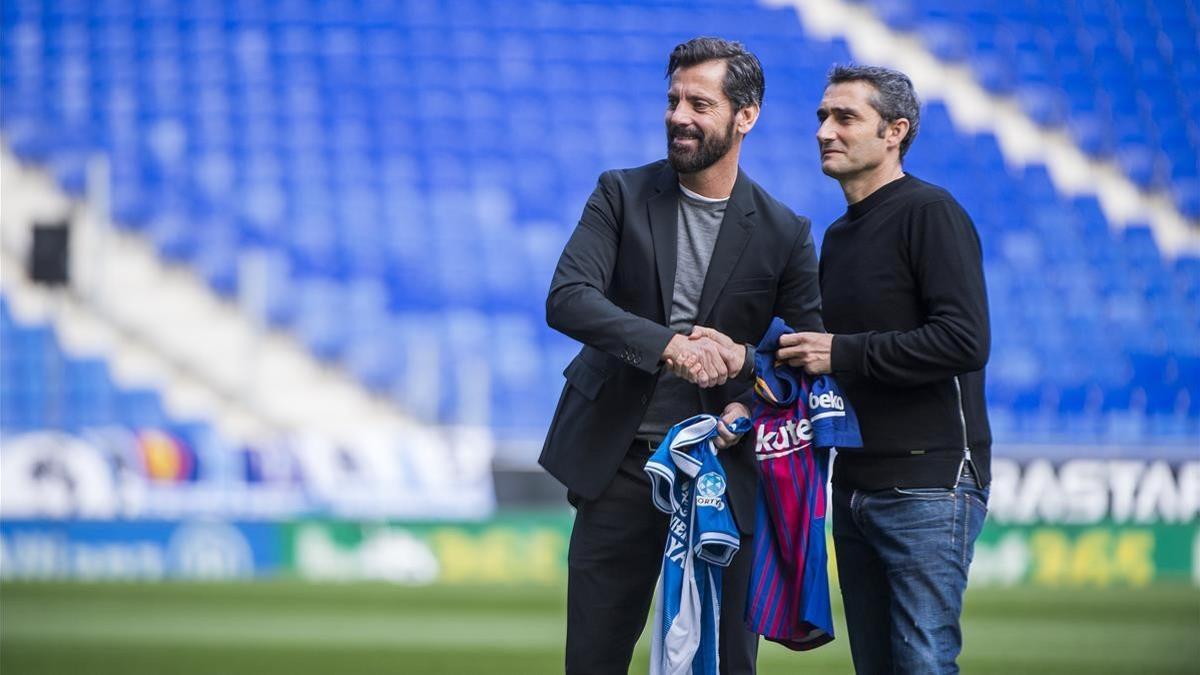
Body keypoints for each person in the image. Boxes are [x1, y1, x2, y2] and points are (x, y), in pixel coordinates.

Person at [540, 37, 824, 675]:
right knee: (592, 661)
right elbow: (567, 299)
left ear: (744, 116)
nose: (678, 115)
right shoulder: (619, 193)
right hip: (618, 469)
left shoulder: (785, 232)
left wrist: (744, 359)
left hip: (721, 476)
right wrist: (668, 346)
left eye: (700, 102)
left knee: (722, 665)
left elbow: (807, 356)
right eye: (673, 100)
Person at [778, 64, 992, 674]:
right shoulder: (839, 236)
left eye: (845, 117)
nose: (825, 130)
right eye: (822, 116)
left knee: (922, 663)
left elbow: (964, 341)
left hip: (929, 480)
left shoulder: (930, 212)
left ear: (895, 131)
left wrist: (841, 352)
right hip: (854, 484)